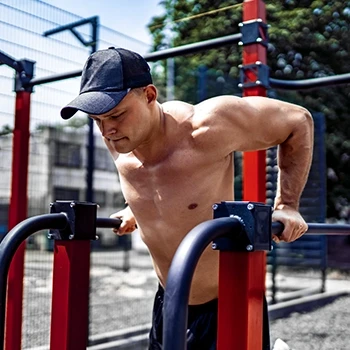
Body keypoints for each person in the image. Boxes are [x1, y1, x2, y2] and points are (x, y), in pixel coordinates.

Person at [61, 47, 313, 350]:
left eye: (116, 114)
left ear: (150, 95)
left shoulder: (206, 127)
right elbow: (161, 185)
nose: (108, 130)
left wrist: (287, 204)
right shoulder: (119, 138)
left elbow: (298, 121)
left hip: (227, 302)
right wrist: (135, 209)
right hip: (169, 300)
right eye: (97, 119)